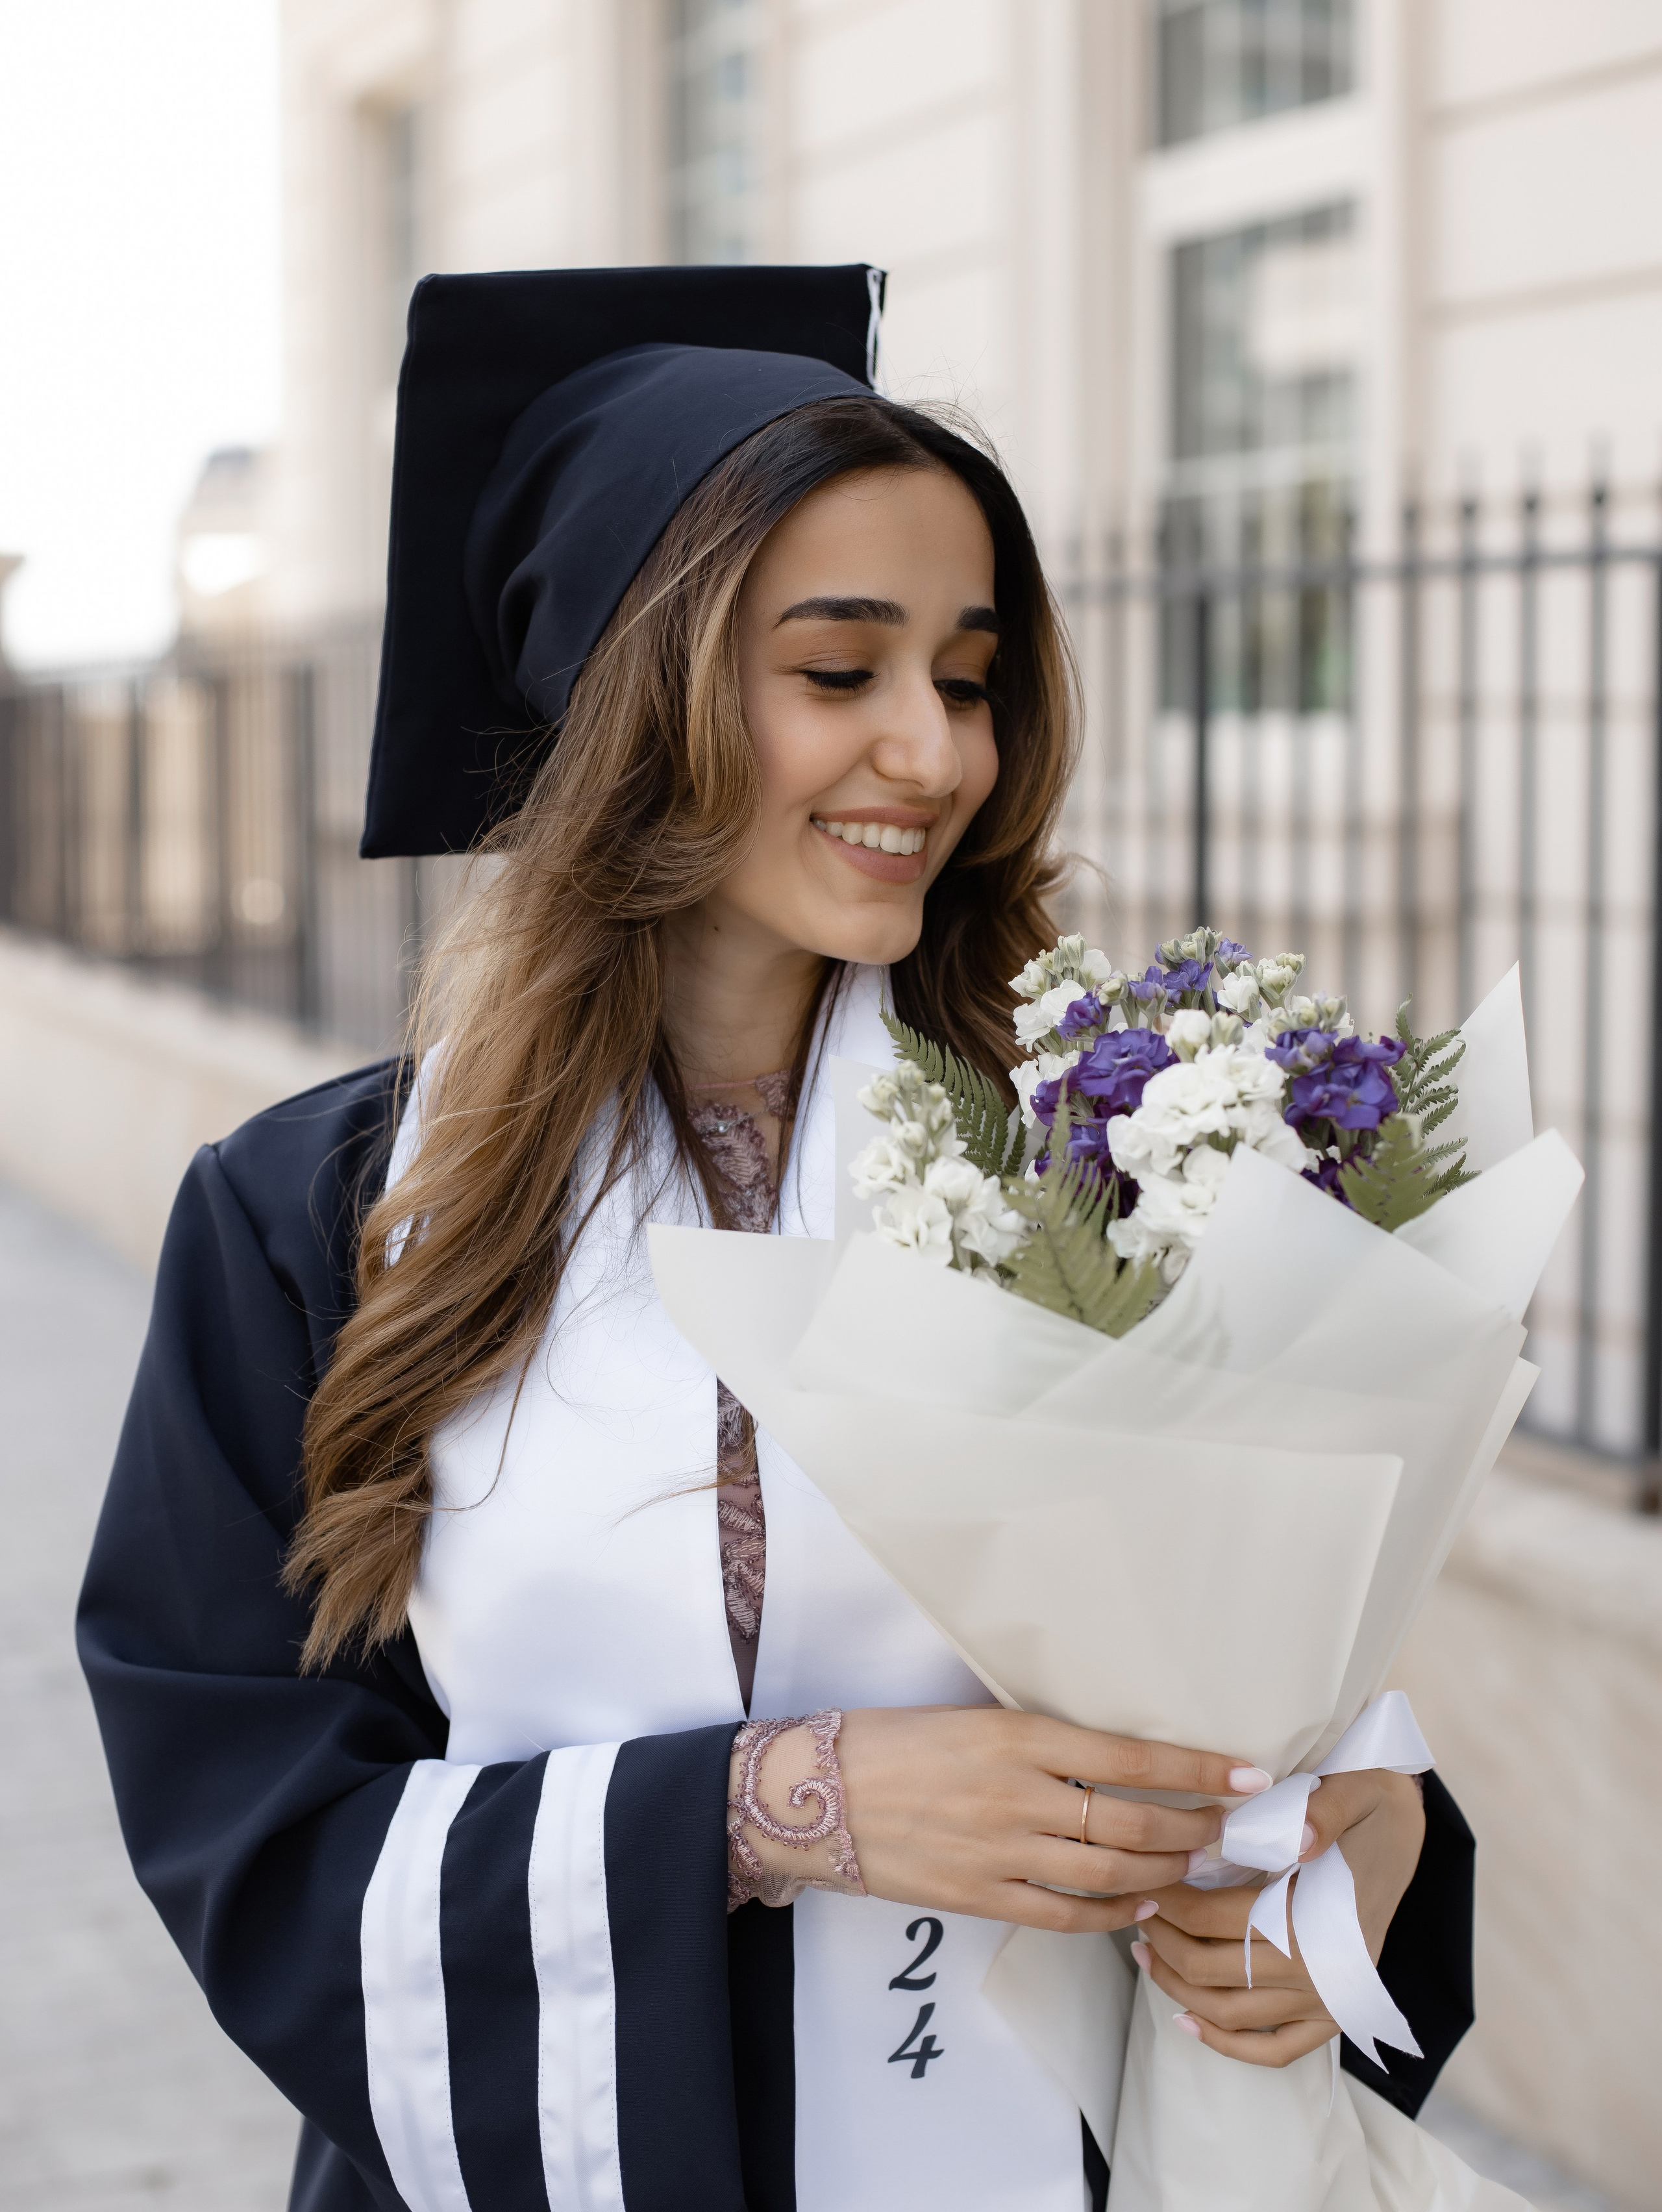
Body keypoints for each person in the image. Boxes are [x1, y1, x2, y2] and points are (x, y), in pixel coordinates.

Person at [80, 266, 1474, 2212]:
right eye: (842, 673)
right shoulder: (325, 1222)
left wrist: (1371, 1834)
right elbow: (257, 1842)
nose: (935, 751)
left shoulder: (1110, 1158)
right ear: (632, 705)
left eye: (969, 677)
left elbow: (1258, 1660)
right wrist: (788, 1809)